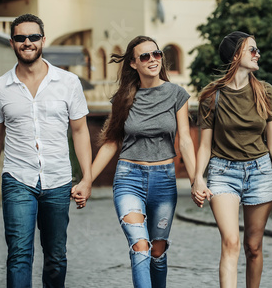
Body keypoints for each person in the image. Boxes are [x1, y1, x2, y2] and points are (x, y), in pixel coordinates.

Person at [79, 35, 204, 288]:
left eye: (156, 54)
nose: (152, 59)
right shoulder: (123, 98)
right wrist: (87, 180)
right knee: (140, 247)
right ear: (133, 64)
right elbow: (112, 142)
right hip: (129, 179)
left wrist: (196, 180)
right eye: (145, 56)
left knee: (157, 252)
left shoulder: (177, 94)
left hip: (164, 181)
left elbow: (185, 141)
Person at [0, 13, 93, 288]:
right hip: (18, 178)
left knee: (56, 256)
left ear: (43, 40)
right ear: (12, 43)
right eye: (21, 38)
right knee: (19, 255)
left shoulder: (68, 82)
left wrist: (87, 178)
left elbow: (79, 131)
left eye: (33, 37)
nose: (27, 42)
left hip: (58, 179)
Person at [192, 31, 272, 288]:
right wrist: (198, 178)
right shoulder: (211, 96)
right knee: (230, 241)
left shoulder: (266, 92)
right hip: (222, 173)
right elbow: (204, 146)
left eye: (257, 50)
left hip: (260, 172)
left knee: (253, 246)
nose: (257, 54)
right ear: (235, 56)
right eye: (252, 50)